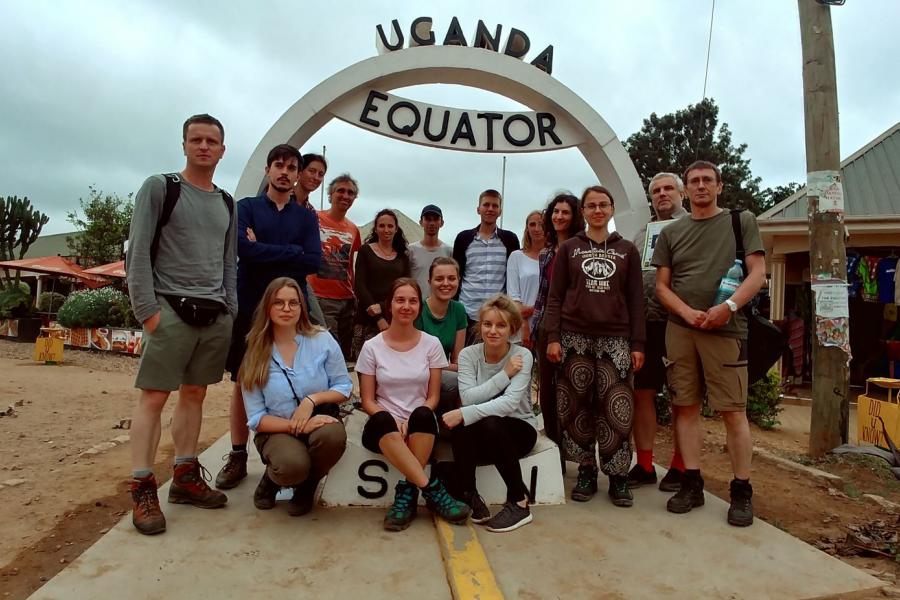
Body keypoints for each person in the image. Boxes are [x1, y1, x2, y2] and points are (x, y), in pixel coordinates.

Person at [126, 114, 236, 535]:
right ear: (185, 144)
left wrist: (230, 308)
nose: (204, 146)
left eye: (212, 141)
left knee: (195, 394)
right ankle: (142, 487)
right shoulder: (161, 188)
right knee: (153, 398)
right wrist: (148, 313)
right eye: (197, 139)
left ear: (223, 150)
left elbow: (229, 262)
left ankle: (186, 476)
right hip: (169, 307)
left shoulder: (227, 202)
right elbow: (137, 252)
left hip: (214, 314)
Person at [652, 160, 766, 527]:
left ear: (719, 186)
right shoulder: (671, 233)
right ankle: (692, 484)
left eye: (707, 180)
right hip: (681, 330)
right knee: (684, 407)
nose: (701, 186)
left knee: (733, 411)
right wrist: (687, 313)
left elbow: (758, 274)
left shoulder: (740, 221)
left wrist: (727, 307)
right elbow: (661, 287)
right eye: (694, 181)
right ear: (686, 190)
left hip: (727, 331)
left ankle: (741, 491)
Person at [216, 144, 323, 491]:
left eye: (292, 167)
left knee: (293, 381)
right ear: (267, 169)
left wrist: (268, 251)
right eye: (279, 165)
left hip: (294, 311)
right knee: (243, 382)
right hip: (250, 306)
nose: (285, 172)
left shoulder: (306, 217)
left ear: (297, 175)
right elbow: (242, 251)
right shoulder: (245, 208)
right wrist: (290, 252)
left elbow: (312, 261)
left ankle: (281, 457)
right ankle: (237, 455)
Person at [544, 186, 645, 507]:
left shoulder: (627, 249)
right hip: (574, 336)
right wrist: (553, 337)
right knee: (576, 407)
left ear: (612, 209)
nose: (598, 210)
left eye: (603, 204)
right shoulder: (570, 249)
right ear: (583, 212)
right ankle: (586, 470)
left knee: (617, 408)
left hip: (616, 339)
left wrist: (638, 343)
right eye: (591, 205)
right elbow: (555, 296)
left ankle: (618, 476)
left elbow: (636, 301)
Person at [356, 278, 472, 531]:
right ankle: (432, 490)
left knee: (422, 413)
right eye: (400, 300)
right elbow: (367, 400)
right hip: (383, 424)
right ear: (389, 305)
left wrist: (409, 420)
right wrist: (396, 420)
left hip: (420, 425)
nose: (406, 306)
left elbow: (433, 397)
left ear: (419, 306)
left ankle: (406, 493)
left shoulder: (431, 344)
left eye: (412, 301)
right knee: (383, 418)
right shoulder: (371, 347)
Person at [239, 278, 349, 516]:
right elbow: (256, 417)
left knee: (332, 435)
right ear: (268, 307)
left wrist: (311, 401)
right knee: (292, 465)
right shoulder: (255, 351)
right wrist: (297, 425)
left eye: (293, 303)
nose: (287, 309)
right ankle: (271, 480)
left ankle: (307, 487)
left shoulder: (322, 340)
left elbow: (343, 386)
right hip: (276, 429)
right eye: (279, 303)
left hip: (318, 418)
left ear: (302, 307)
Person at [443, 294, 537, 533]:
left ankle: (519, 501)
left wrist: (465, 413)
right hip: (483, 435)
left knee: (486, 421)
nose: (493, 331)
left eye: (501, 325)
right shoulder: (468, 355)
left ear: (512, 329)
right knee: (465, 422)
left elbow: (508, 404)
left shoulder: (522, 356)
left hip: (518, 430)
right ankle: (469, 493)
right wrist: (504, 375)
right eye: (488, 324)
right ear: (480, 325)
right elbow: (469, 397)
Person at [627, 172, 690, 492]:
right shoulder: (642, 234)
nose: (662, 194)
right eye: (656, 190)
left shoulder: (696, 228)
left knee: (683, 397)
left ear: (683, 194)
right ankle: (646, 464)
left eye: (668, 189)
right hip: (646, 325)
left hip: (680, 323)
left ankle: (681, 466)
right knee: (643, 393)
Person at [531, 193, 584, 445]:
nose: (559, 217)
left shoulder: (583, 249)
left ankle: (578, 446)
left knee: (576, 389)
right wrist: (536, 328)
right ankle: (555, 447)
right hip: (547, 326)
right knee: (548, 391)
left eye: (565, 212)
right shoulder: (546, 253)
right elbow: (543, 294)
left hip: (575, 326)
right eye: (555, 212)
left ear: (575, 217)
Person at [453, 189, 520, 342]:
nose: (490, 209)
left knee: (495, 363)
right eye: (486, 205)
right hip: (467, 313)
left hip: (498, 316)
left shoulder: (510, 240)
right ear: (478, 209)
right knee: (467, 361)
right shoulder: (464, 238)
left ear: (500, 211)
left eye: (495, 206)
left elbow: (513, 276)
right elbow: (457, 274)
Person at [308, 174, 362, 358]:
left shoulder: (354, 229)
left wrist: (354, 293)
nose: (345, 196)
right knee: (328, 349)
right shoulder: (314, 218)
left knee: (343, 353)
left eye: (350, 193)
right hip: (320, 296)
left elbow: (350, 265)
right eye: (340, 190)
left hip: (346, 298)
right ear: (330, 194)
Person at [352, 208, 411, 358]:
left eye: (390, 226)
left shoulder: (402, 257)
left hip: (394, 319)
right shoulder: (365, 251)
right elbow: (359, 284)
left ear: (396, 229)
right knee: (366, 369)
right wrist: (377, 317)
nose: (386, 229)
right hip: (367, 318)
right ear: (376, 228)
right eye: (382, 226)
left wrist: (383, 306)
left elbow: (405, 288)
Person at [414, 257, 468, 412]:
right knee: (455, 382)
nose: (446, 283)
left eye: (451, 278)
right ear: (429, 281)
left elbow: (458, 360)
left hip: (442, 370)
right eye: (439, 279)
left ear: (458, 280)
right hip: (418, 371)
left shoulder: (458, 310)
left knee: (468, 381)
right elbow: (417, 360)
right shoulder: (419, 310)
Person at [293, 153, 330, 327]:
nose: (316, 177)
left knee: (318, 325)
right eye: (312, 171)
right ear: (300, 171)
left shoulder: (311, 211)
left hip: (299, 275)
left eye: (320, 174)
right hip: (272, 275)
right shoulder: (282, 199)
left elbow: (313, 254)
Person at [506, 210, 544, 346]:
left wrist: (536, 310)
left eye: (541, 224)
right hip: (520, 327)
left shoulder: (555, 257)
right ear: (527, 228)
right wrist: (524, 325)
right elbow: (513, 296)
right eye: (532, 224)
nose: (537, 229)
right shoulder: (516, 256)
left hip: (547, 327)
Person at [409, 205, 452, 295]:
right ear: (421, 222)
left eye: (435, 219)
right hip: (417, 305)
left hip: (441, 304)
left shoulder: (449, 252)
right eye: (428, 219)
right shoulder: (411, 250)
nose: (432, 223)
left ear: (442, 223)